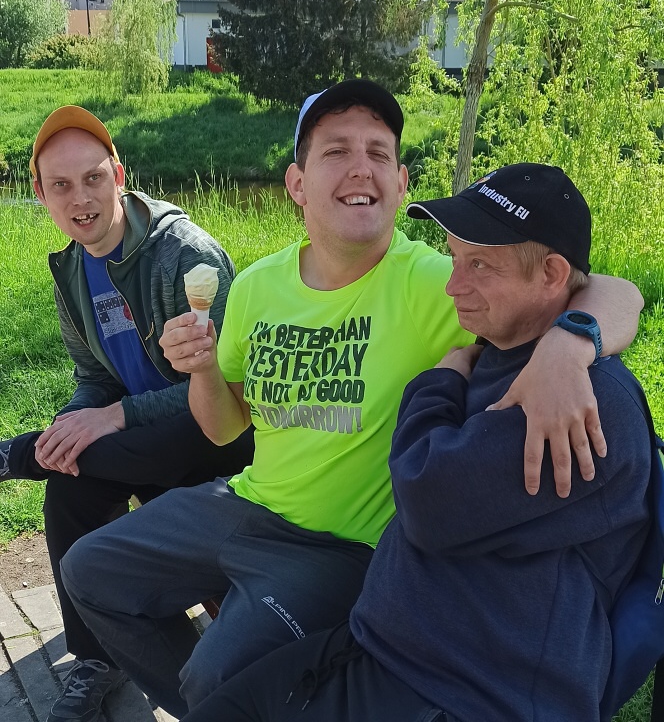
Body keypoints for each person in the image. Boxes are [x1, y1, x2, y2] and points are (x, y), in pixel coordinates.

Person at [61, 82, 643, 719]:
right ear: (297, 184)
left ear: (400, 181)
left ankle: (223, 698)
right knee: (89, 570)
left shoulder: (439, 283)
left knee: (216, 676)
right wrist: (200, 370)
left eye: (379, 153)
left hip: (345, 547)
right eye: (336, 151)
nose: (361, 168)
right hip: (248, 503)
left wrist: (568, 345)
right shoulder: (256, 286)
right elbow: (224, 428)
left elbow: (602, 287)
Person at [178, 163, 652, 722]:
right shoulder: (509, 349)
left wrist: (440, 379)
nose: (453, 286)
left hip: (471, 691)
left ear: (551, 274)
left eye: (479, 265)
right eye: (454, 259)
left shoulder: (579, 401)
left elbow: (427, 496)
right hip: (384, 650)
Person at [0, 106, 254, 722]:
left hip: (216, 436)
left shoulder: (183, 255)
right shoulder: (70, 271)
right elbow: (94, 379)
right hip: (141, 445)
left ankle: (15, 455)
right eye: (61, 185)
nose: (80, 199)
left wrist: (116, 416)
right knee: (68, 479)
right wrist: (72, 425)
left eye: (93, 178)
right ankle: (96, 659)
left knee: (110, 445)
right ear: (40, 193)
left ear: (118, 174)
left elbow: (230, 385)